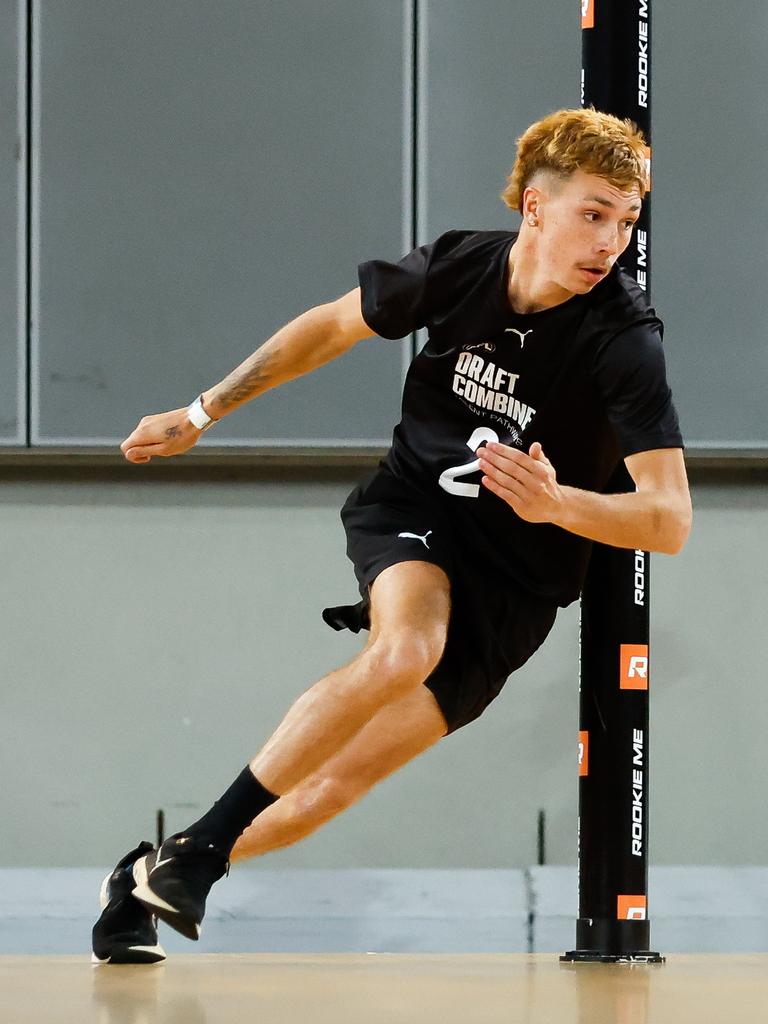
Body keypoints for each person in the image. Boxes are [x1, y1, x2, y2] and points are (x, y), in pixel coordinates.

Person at [92, 107, 691, 964]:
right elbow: (332, 326)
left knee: (324, 793)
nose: (611, 241)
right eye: (593, 213)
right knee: (407, 645)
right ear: (534, 206)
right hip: (418, 508)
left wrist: (560, 505)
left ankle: (156, 866)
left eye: (626, 221)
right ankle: (196, 855)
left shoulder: (623, 341)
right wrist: (200, 411)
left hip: (520, 579)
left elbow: (668, 522)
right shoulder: (457, 267)